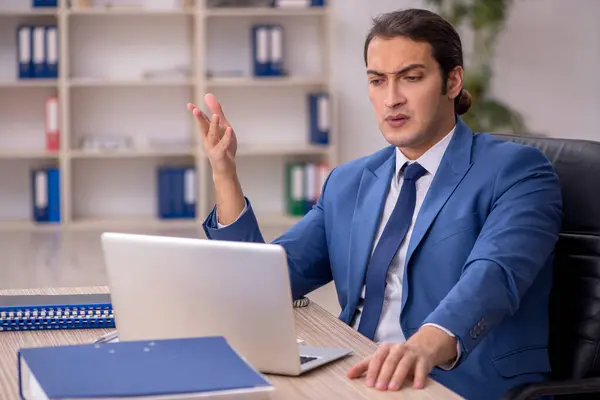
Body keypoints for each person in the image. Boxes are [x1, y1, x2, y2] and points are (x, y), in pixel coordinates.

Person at [186, 8, 563, 400]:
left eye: (411, 78)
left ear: (452, 81)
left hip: (458, 382)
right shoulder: (349, 181)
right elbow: (265, 281)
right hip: (358, 374)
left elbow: (494, 276)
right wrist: (224, 174)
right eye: (377, 81)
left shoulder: (516, 171)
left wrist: (424, 345)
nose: (392, 99)